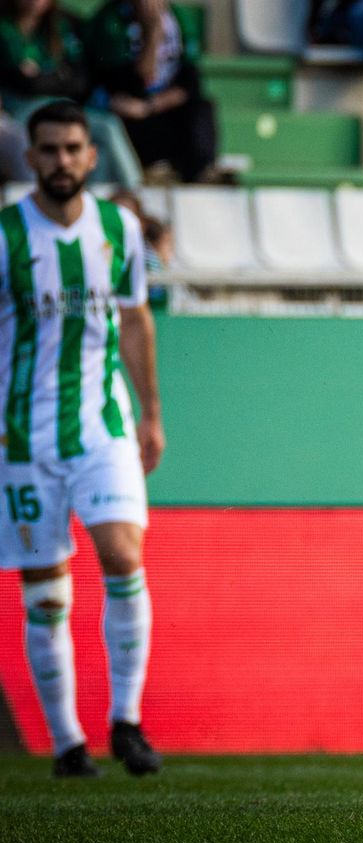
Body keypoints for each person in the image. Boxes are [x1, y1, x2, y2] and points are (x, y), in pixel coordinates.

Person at [1, 100, 164, 778]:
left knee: (123, 553)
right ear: (30, 156)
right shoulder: (5, 234)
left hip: (104, 425)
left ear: (91, 156)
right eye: (49, 150)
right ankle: (68, 743)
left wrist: (152, 412)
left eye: (73, 149)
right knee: (46, 590)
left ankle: (126, 721)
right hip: (21, 440)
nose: (62, 161)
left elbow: (135, 322)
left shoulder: (119, 228)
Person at [0, 0, 142, 185]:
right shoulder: (5, 28)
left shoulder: (60, 25)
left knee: (105, 132)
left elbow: (77, 81)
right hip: (19, 110)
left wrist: (40, 78)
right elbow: (23, 83)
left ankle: (131, 192)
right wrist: (55, 77)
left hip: (61, 104)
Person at [83, 0, 217, 183]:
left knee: (201, 109)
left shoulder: (180, 18)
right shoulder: (111, 22)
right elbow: (133, 86)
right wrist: (153, 33)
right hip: (125, 113)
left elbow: (191, 83)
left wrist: (150, 106)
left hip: (155, 107)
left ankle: (198, 177)